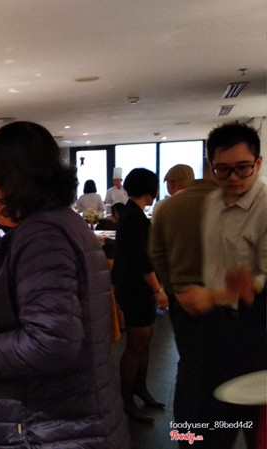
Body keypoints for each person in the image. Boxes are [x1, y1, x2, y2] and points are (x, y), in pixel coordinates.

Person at [0, 121, 130, 448]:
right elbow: (65, 320)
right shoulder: (65, 222)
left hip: (45, 430)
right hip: (73, 421)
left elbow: (50, 344)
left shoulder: (43, 235)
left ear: (14, 179)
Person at [176, 122, 266, 448]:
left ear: (258, 163)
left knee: (256, 420)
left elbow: (263, 278)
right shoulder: (213, 201)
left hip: (256, 328)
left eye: (243, 168)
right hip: (215, 325)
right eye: (222, 169)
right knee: (210, 415)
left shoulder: (265, 207)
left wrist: (215, 295)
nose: (233, 178)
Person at [148, 163, 218, 445]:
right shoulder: (226, 201)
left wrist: (172, 287)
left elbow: (156, 254)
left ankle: (187, 436)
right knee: (219, 369)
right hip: (224, 301)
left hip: (182, 298)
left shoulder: (168, 207)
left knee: (188, 367)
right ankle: (216, 434)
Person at [111, 168, 169, 423]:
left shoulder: (131, 213)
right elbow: (141, 259)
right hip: (135, 287)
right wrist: (158, 290)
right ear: (151, 189)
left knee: (144, 341)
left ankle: (140, 388)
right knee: (136, 343)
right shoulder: (134, 216)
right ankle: (126, 400)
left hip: (134, 285)